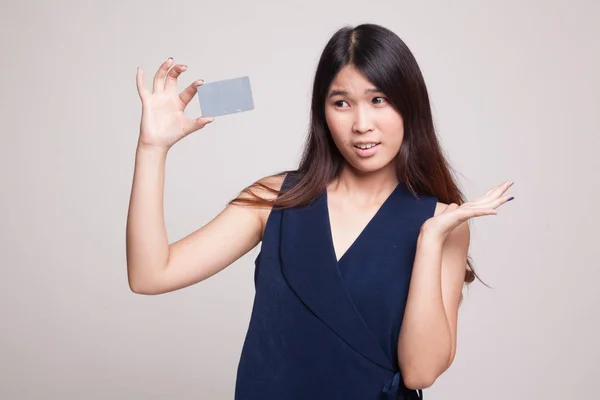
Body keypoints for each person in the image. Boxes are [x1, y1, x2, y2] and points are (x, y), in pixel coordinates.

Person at [127, 23, 514, 400]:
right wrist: (152, 148)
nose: (362, 125)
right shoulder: (276, 197)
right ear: (323, 113)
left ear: (409, 106)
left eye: (379, 100)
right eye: (342, 103)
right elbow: (150, 274)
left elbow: (419, 372)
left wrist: (430, 241)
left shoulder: (442, 224)